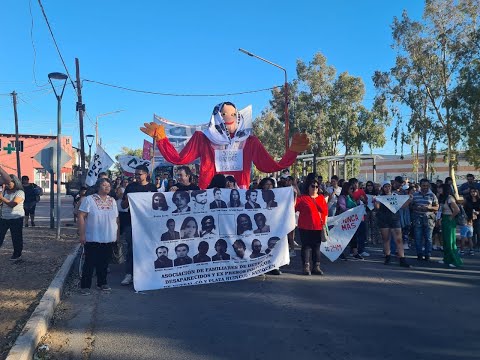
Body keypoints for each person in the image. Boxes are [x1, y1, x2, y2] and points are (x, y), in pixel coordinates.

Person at [141, 101, 309, 189]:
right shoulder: (203, 138)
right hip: (209, 194)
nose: (229, 117)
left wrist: (292, 153)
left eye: (233, 114)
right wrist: (161, 138)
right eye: (224, 114)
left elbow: (270, 165)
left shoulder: (249, 141)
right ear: (217, 116)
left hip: (240, 197)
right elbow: (179, 159)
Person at [78, 178, 119, 295]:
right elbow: (81, 216)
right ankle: (85, 286)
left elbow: (116, 219)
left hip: (108, 237)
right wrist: (82, 234)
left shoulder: (112, 201)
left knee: (104, 263)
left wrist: (116, 234)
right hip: (93, 237)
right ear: (98, 187)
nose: (107, 187)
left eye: (108, 185)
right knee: (89, 263)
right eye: (104, 185)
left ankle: (102, 283)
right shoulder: (89, 200)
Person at [120, 165, 157, 286]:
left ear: (146, 174)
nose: (136, 176)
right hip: (132, 223)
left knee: (147, 248)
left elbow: (156, 205)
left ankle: (146, 273)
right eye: (135, 174)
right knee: (131, 248)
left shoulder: (152, 188)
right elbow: (123, 206)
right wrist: (127, 198)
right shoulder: (131, 187)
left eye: (139, 174)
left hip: (147, 224)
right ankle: (129, 274)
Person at [295, 177, 328, 275]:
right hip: (305, 227)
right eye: (312, 186)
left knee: (316, 247)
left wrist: (324, 226)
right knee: (306, 247)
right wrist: (294, 195)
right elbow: (293, 208)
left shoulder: (321, 198)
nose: (315, 188)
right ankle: (306, 266)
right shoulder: (302, 198)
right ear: (308, 187)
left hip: (318, 227)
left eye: (317, 186)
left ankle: (316, 267)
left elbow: (325, 212)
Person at [375, 181, 412, 267]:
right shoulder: (380, 197)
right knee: (386, 239)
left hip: (395, 219)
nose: (387, 188)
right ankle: (387, 256)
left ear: (391, 187)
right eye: (385, 187)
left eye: (388, 186)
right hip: (384, 220)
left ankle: (402, 259)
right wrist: (375, 201)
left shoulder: (396, 196)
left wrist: (409, 200)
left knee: (399, 240)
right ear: (383, 188)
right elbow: (377, 208)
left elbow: (402, 206)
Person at [411, 178, 439, 261]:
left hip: (429, 218)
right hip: (417, 217)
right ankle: (419, 253)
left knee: (428, 237)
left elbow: (437, 207)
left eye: (427, 186)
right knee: (418, 237)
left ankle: (428, 254)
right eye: (423, 185)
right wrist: (416, 207)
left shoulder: (432, 195)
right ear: (420, 186)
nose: (425, 187)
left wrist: (429, 207)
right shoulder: (415, 194)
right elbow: (411, 206)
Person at [437, 184, 463, 268]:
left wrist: (450, 218)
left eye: (440, 188)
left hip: (449, 219)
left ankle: (456, 261)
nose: (439, 189)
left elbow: (457, 210)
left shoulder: (449, 198)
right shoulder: (442, 198)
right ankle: (447, 258)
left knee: (450, 241)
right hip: (444, 219)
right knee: (445, 241)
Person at [0, 174, 25, 261]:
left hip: (16, 218)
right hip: (4, 218)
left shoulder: (20, 192)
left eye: (9, 183)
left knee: (16, 237)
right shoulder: (4, 192)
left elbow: (13, 204)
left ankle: (17, 254)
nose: (7, 185)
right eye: (5, 183)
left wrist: (2, 198)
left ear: (15, 182)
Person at [337, 182, 363, 260]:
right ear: (346, 189)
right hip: (343, 220)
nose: (352, 190)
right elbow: (343, 208)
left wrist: (359, 202)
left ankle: (355, 252)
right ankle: (340, 253)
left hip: (352, 220)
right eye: (351, 188)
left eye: (353, 189)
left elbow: (356, 205)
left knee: (353, 236)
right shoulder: (342, 197)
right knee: (342, 237)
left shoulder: (352, 197)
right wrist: (353, 210)